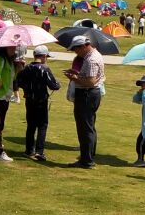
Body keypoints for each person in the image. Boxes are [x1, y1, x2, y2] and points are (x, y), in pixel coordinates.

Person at [64, 35, 104, 169]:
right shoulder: (94, 55)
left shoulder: (91, 59)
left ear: (84, 46)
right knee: (89, 126)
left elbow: (90, 81)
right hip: (91, 93)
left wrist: (74, 78)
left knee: (85, 128)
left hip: (87, 94)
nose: (76, 52)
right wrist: (77, 73)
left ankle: (87, 160)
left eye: (76, 49)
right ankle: (88, 157)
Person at [16, 45, 60, 161]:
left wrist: (27, 88)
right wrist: (58, 83)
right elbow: (54, 86)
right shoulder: (44, 68)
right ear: (44, 56)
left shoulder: (27, 68)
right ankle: (39, 152)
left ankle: (28, 150)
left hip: (29, 100)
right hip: (41, 100)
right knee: (42, 125)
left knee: (31, 125)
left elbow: (18, 82)